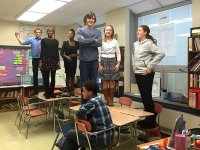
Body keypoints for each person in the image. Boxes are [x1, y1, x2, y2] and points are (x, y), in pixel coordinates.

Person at [62, 80, 114, 150]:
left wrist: (81, 118)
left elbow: (76, 117)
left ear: (90, 93)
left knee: (71, 134)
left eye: (84, 91)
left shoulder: (91, 103)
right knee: (80, 133)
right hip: (109, 138)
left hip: (98, 140)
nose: (82, 93)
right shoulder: (100, 100)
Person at [132, 25, 165, 128]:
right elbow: (133, 56)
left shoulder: (149, 43)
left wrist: (150, 66)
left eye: (139, 30)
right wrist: (134, 67)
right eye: (137, 30)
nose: (137, 31)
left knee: (147, 96)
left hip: (147, 73)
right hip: (138, 73)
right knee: (143, 96)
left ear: (145, 32)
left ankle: (151, 120)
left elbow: (161, 54)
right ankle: (147, 118)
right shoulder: (135, 44)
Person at [77, 11, 102, 102]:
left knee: (93, 84)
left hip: (94, 61)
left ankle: (93, 103)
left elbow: (99, 43)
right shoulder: (80, 30)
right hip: (84, 61)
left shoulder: (98, 31)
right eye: (89, 18)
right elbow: (81, 42)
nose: (91, 20)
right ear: (85, 19)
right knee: (84, 83)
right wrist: (93, 40)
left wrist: (87, 41)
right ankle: (84, 103)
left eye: (93, 18)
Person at [98, 25, 121, 106]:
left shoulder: (115, 41)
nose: (108, 31)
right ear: (104, 31)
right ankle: (106, 99)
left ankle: (111, 99)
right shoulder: (101, 41)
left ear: (112, 32)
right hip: (103, 62)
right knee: (104, 82)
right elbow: (98, 54)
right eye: (107, 30)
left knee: (112, 82)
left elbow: (118, 53)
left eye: (110, 30)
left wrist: (118, 64)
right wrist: (99, 65)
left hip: (113, 62)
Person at [15, 27, 42, 94]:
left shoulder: (43, 40)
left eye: (39, 32)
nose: (38, 33)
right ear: (35, 33)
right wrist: (17, 36)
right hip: (35, 59)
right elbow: (22, 43)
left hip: (42, 59)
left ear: (41, 33)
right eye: (36, 32)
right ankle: (36, 91)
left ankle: (45, 89)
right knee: (35, 75)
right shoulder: (31, 39)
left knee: (44, 74)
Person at [39, 26, 60, 99]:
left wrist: (58, 62)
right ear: (47, 32)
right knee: (46, 78)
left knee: (53, 78)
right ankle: (47, 93)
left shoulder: (56, 41)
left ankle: (51, 93)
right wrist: (41, 61)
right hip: (46, 60)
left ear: (53, 32)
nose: (50, 32)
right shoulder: (43, 40)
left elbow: (57, 52)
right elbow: (42, 51)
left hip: (54, 60)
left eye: (51, 31)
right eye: (49, 31)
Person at [61, 29, 79, 96]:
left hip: (74, 61)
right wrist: (66, 57)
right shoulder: (65, 43)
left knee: (73, 76)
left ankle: (72, 91)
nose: (70, 34)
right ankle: (68, 91)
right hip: (67, 61)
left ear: (74, 35)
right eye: (69, 33)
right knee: (68, 76)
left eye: (71, 33)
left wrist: (76, 54)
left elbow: (80, 52)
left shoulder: (77, 43)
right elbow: (61, 53)